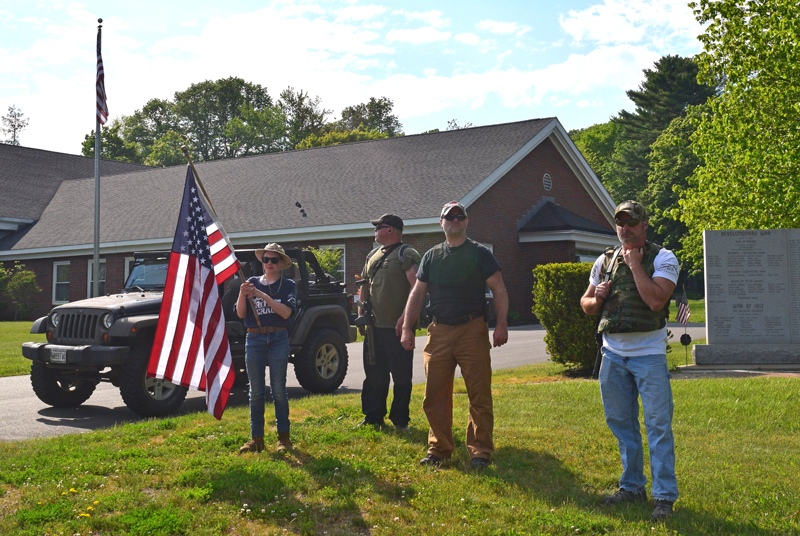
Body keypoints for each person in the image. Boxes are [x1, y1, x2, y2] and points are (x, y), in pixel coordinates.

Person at [580, 200, 680, 521]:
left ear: (644, 225)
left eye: (631, 223)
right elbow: (586, 302)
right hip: (612, 354)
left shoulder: (663, 258)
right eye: (620, 222)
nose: (625, 228)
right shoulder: (604, 261)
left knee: (657, 426)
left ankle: (663, 496)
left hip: (649, 355)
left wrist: (635, 265)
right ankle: (632, 486)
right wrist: (597, 298)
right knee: (622, 424)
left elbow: (655, 300)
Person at [401, 201, 509, 470]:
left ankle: (480, 452)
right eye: (450, 217)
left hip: (472, 329)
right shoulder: (432, 256)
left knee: (479, 393)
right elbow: (417, 293)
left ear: (467, 222)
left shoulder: (480, 254)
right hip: (437, 331)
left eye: (460, 217)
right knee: (434, 394)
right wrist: (406, 326)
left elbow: (499, 289)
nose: (455, 221)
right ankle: (439, 449)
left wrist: (502, 325)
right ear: (442, 223)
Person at [356, 214, 421, 431]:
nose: (375, 231)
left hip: (397, 329)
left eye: (378, 227)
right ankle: (373, 416)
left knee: (401, 378)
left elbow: (417, 289)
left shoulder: (407, 254)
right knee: (374, 375)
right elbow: (364, 285)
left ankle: (400, 420)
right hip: (374, 327)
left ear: (390, 230)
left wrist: (406, 321)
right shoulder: (372, 255)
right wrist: (360, 313)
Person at [237, 243, 297, 454]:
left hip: (278, 336)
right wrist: (241, 294)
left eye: (273, 260)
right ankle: (257, 439)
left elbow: (286, 313)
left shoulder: (288, 285)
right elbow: (241, 314)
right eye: (266, 260)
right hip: (254, 338)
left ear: (281, 263)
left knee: (279, 389)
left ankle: (283, 438)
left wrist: (262, 296)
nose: (269, 264)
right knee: (255, 391)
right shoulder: (251, 282)